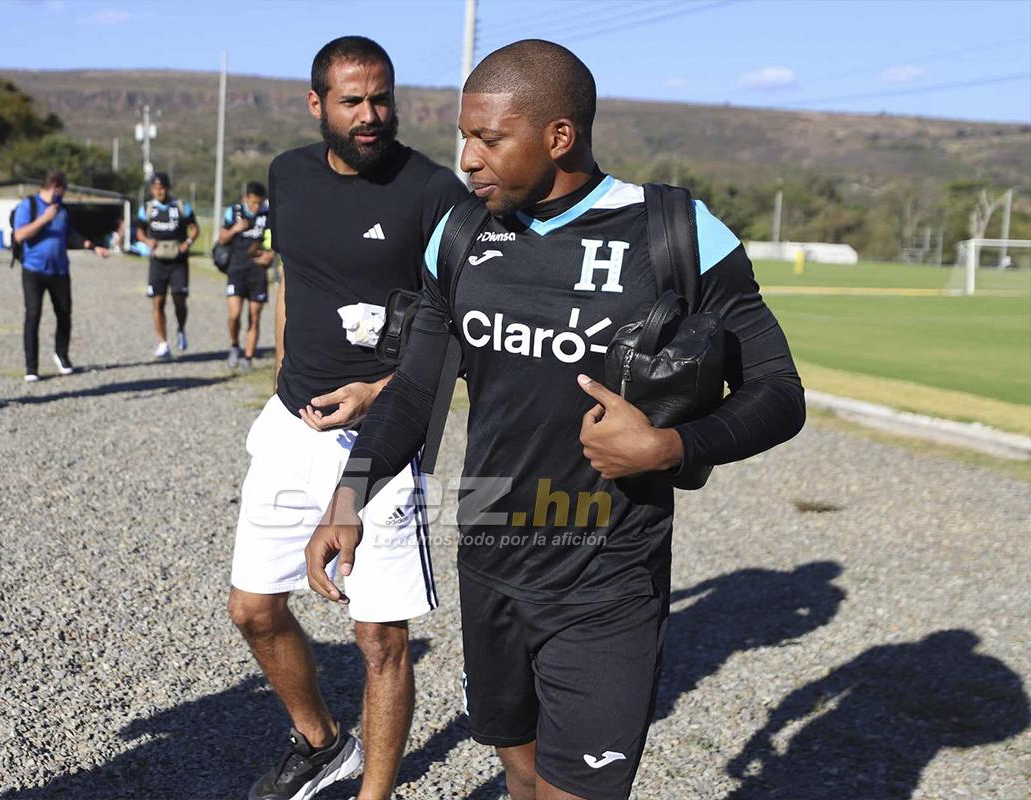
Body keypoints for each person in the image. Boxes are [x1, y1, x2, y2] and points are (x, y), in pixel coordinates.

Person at [305, 40, 806, 800]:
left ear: (560, 137)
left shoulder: (675, 232)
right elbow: (416, 390)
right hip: (490, 555)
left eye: (490, 139)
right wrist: (348, 501)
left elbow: (779, 392)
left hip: (607, 577)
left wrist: (669, 446)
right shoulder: (462, 234)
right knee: (521, 769)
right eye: (464, 137)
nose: (468, 159)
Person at [226, 36, 467, 800]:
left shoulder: (435, 193)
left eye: (382, 98)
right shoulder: (288, 175)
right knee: (254, 610)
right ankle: (325, 744)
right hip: (291, 427)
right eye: (353, 101)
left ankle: (376, 795)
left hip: (384, 437)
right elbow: (297, 281)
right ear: (317, 104)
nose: (371, 115)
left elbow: (465, 327)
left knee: (379, 639)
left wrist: (378, 390)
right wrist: (280, 374)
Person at [12, 170, 109, 382]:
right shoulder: (29, 205)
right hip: (34, 270)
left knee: (64, 315)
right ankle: (31, 367)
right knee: (33, 316)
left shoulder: (61, 210)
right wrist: (44, 219)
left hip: (60, 272)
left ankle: (61, 355)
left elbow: (70, 234)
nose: (64, 193)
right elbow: (19, 235)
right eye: (63, 188)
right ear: (55, 186)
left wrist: (93, 247)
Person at [136, 173, 198, 359]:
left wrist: (187, 243)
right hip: (157, 261)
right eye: (155, 188)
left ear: (168, 188)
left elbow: (194, 228)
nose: (159, 191)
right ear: (151, 189)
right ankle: (163, 342)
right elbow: (139, 230)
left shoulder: (180, 206)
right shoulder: (147, 208)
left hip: (178, 261)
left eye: (162, 187)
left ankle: (181, 328)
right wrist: (147, 241)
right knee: (158, 301)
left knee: (179, 300)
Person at [218, 181, 273, 371]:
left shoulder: (268, 215)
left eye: (259, 203)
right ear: (245, 198)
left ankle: (248, 358)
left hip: (258, 272)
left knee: (254, 316)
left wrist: (270, 256)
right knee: (234, 315)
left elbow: (275, 242)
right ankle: (234, 345)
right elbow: (222, 238)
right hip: (236, 269)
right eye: (253, 202)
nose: (256, 207)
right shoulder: (233, 213)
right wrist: (235, 228)